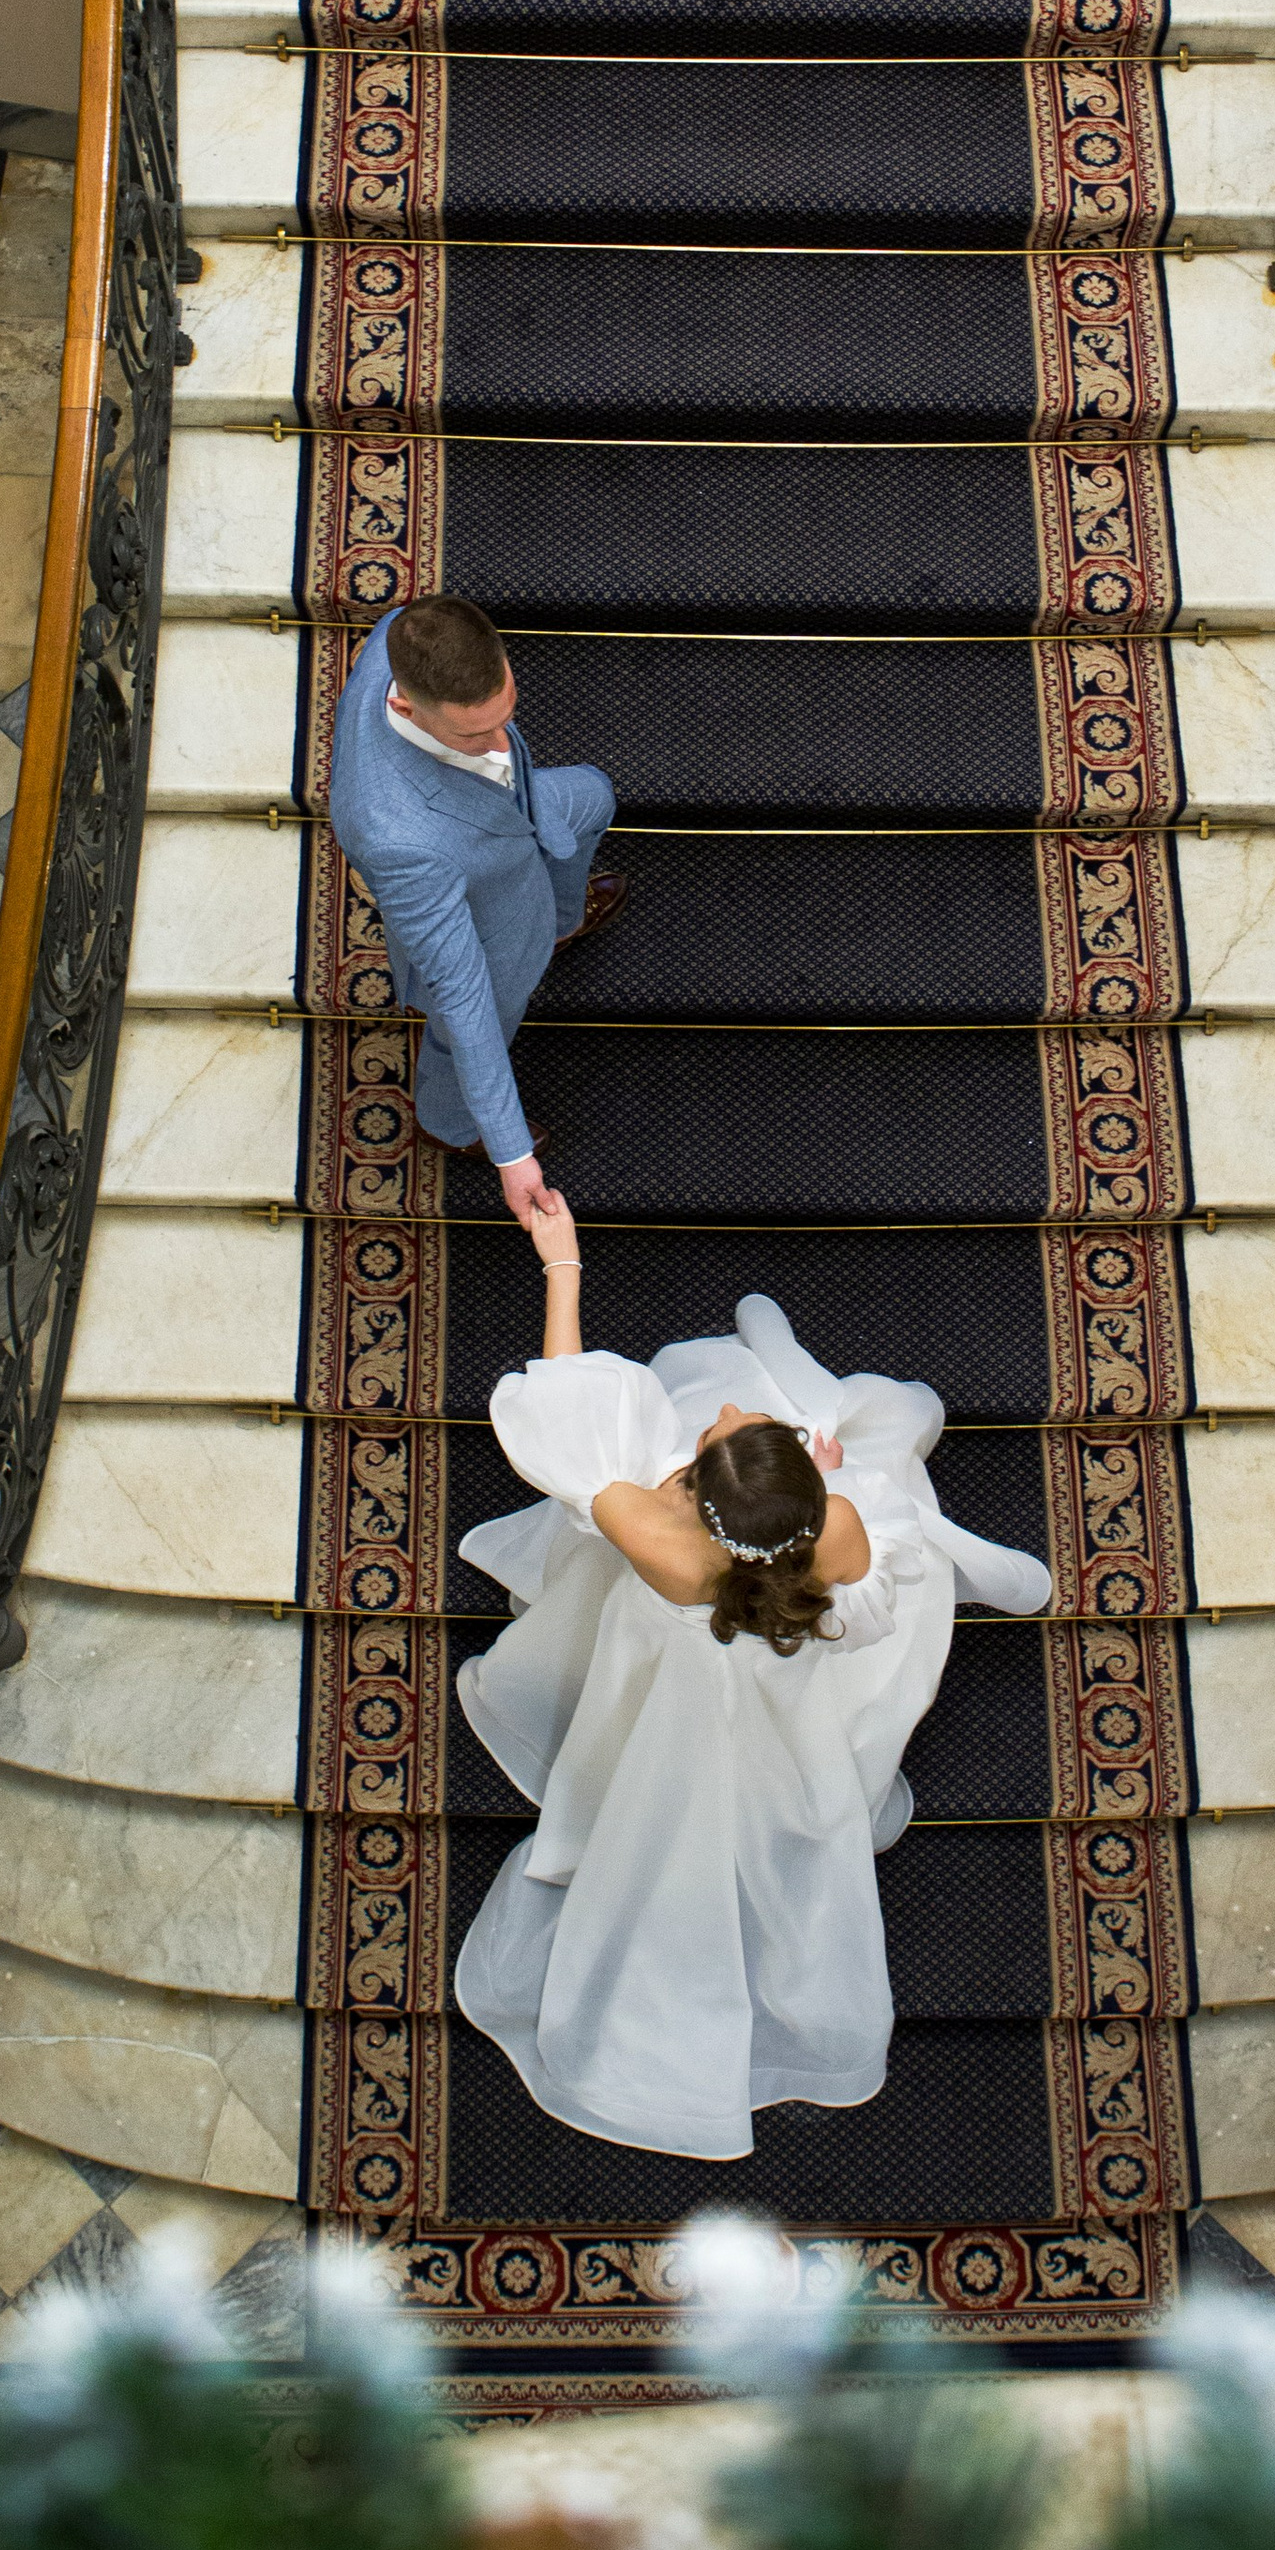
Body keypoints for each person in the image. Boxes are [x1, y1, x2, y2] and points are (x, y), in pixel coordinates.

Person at [451, 1193, 1055, 2161]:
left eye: (724, 1432)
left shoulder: (652, 1538)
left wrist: (561, 1267)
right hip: (778, 1679)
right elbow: (861, 1616)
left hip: (663, 1681)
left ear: (698, 1491)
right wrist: (826, 1478)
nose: (729, 1411)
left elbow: (561, 1402)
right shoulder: (840, 1530)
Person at [329, 595, 623, 1227]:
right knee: (468, 1018)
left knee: (593, 793)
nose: (497, 744)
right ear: (406, 705)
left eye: (505, 713)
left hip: (516, 823)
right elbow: (462, 994)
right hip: (488, 918)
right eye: (471, 734)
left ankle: (566, 918)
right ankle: (446, 1120)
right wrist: (513, 1156)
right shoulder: (397, 837)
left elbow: (494, 744)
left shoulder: (402, 632)